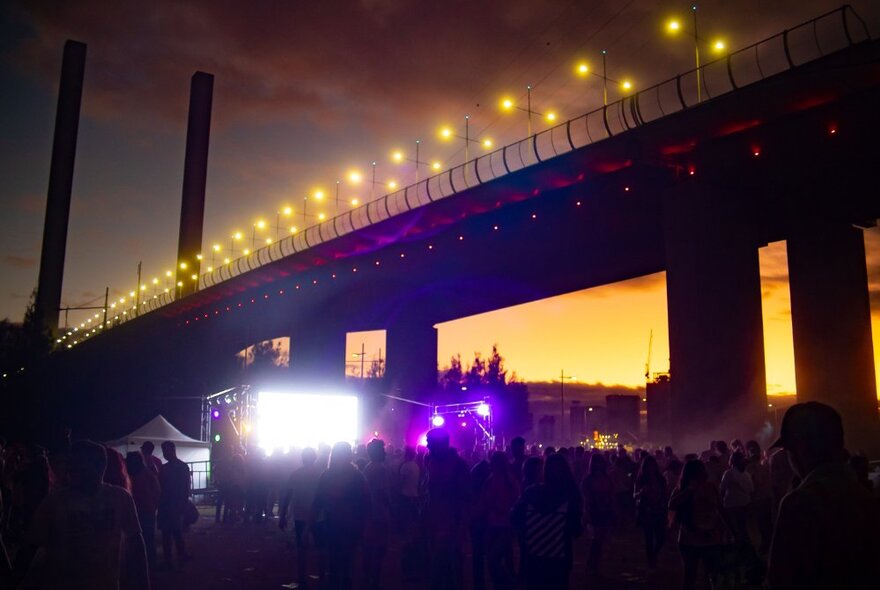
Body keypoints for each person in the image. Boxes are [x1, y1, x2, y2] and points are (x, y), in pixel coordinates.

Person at [767, 402, 880, 589]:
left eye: (789, 450)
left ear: (799, 449)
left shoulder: (799, 503)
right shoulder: (865, 493)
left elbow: (780, 580)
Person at [12, 439, 150, 589]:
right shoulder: (56, 501)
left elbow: (136, 542)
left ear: (98, 467)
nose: (71, 468)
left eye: (77, 463)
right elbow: (30, 546)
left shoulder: (120, 498)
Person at [511, 453, 582, 590]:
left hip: (533, 554)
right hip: (559, 556)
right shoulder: (570, 495)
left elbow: (514, 516)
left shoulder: (531, 492)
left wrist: (529, 530)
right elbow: (575, 529)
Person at [311, 441, 369, 590]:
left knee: (334, 560)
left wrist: (309, 524)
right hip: (351, 525)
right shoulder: (357, 476)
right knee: (348, 562)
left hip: (333, 523)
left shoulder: (327, 475)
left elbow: (318, 501)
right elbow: (366, 503)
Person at [668, 459, 729, 590]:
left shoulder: (710, 487)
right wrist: (689, 491)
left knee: (713, 574)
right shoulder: (681, 490)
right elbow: (672, 505)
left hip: (710, 537)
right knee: (690, 575)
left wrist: (730, 529)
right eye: (699, 471)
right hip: (689, 539)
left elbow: (720, 508)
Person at [423, 429, 470, 590]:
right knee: (438, 568)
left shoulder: (457, 465)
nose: (427, 444)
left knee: (449, 570)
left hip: (451, 525)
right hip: (435, 523)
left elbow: (465, 499)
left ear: (439, 443)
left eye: (429, 441)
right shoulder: (432, 462)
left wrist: (461, 527)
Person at [279, 447, 322, 587]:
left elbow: (287, 496)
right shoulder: (320, 474)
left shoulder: (296, 474)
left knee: (302, 547)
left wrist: (282, 515)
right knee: (321, 547)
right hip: (317, 516)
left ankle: (302, 577)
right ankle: (321, 576)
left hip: (300, 515)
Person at [480, 451, 519, 590]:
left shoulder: (492, 480)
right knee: (504, 559)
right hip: (506, 524)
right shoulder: (510, 480)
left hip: (495, 524)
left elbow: (485, 501)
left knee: (493, 560)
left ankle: (505, 584)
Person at [363, 439, 392, 590]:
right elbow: (383, 494)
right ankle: (374, 581)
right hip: (379, 513)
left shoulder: (369, 467)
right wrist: (392, 510)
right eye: (383, 449)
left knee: (369, 548)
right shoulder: (380, 469)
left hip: (369, 513)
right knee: (380, 548)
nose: (385, 452)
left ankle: (368, 579)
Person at [157, 441, 190, 570]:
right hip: (175, 504)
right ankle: (181, 557)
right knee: (176, 532)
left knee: (168, 533)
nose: (165, 454)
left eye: (165, 451)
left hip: (167, 504)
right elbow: (186, 488)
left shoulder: (164, 469)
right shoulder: (182, 467)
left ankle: (169, 560)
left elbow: (160, 488)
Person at [126, 451, 161, 569]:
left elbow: (155, 492)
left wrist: (152, 505)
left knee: (146, 538)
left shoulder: (141, 475)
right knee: (146, 538)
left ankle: (148, 564)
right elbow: (157, 491)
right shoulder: (142, 474)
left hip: (144, 510)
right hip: (144, 510)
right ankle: (148, 564)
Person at [581, 453, 614, 575]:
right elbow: (586, 497)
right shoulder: (588, 480)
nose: (599, 465)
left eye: (600, 462)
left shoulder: (606, 478)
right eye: (597, 463)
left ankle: (594, 563)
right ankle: (592, 563)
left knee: (600, 538)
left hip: (605, 510)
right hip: (594, 510)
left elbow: (611, 494)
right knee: (596, 538)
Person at [634, 455, 668, 569]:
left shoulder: (661, 478)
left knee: (661, 537)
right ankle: (651, 562)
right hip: (646, 510)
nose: (650, 468)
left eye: (652, 465)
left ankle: (655, 554)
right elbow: (634, 495)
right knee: (648, 537)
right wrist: (642, 492)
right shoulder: (641, 479)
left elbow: (665, 493)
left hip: (659, 510)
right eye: (648, 465)